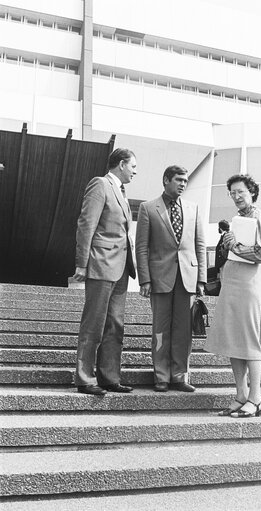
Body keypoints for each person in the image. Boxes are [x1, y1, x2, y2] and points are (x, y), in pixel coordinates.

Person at [135, 165, 207, 392]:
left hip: (187, 277)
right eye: (178, 180)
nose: (183, 184)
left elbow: (200, 246)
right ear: (166, 180)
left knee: (183, 330)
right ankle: (161, 376)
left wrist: (202, 279)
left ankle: (180, 375)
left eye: (185, 180)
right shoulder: (148, 208)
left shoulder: (193, 208)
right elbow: (142, 247)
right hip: (159, 278)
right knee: (160, 328)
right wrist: (144, 279)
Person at [73, 148, 137, 395]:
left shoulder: (121, 191)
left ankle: (109, 378)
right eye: (133, 166)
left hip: (120, 268)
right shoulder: (100, 184)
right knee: (94, 324)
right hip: (101, 264)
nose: (135, 171)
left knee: (115, 325)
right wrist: (81, 262)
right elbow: (86, 223)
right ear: (121, 164)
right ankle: (85, 378)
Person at [204, 174, 261, 417]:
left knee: (249, 337)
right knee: (233, 337)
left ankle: (256, 398)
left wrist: (235, 246)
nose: (236, 196)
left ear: (251, 192)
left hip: (248, 283)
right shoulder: (237, 219)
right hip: (231, 281)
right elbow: (228, 251)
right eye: (232, 193)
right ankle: (241, 394)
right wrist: (226, 243)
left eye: (240, 191)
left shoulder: (258, 215)